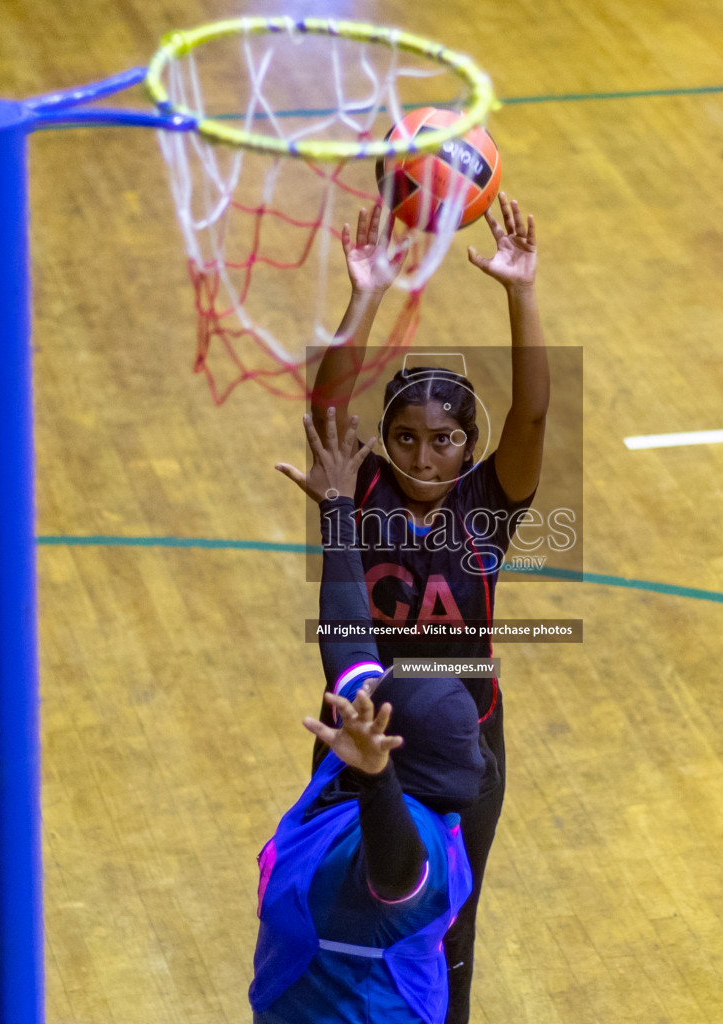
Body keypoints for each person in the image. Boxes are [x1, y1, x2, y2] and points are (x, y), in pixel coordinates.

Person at [291, 193, 549, 1023]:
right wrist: (365, 291)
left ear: (470, 448)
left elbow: (535, 412)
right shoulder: (359, 486)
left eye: (444, 440)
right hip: (366, 719)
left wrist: (521, 290)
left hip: (465, 733)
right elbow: (328, 410)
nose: (424, 453)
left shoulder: (490, 503)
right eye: (405, 436)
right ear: (385, 440)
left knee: (450, 922)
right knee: (355, 895)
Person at [254, 410, 486, 1024]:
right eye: (468, 744)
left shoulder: (420, 847)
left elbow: (395, 869)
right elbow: (350, 639)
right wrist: (337, 506)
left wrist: (380, 779)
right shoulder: (359, 736)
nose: (483, 759)